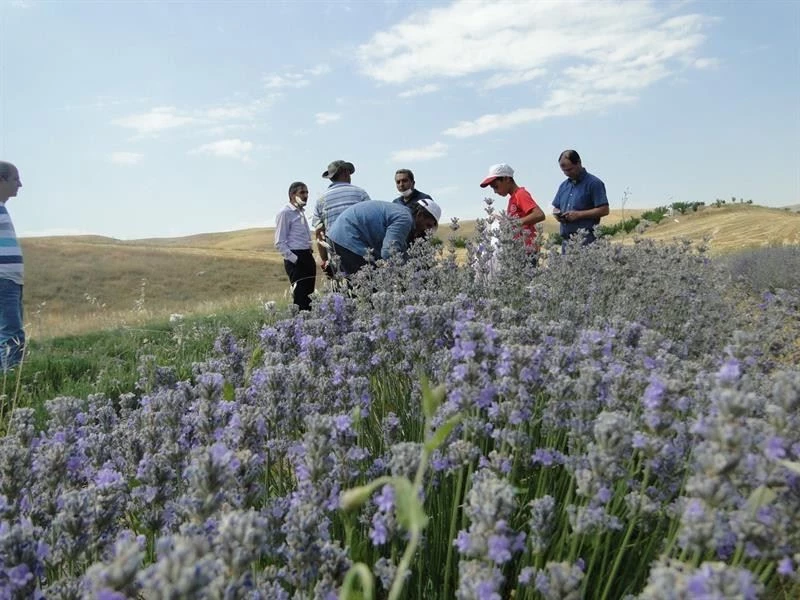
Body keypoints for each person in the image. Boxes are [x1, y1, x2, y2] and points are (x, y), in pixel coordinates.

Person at [327, 198, 441, 276]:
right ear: (420, 215)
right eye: (428, 225)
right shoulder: (405, 219)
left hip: (337, 236)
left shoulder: (402, 213)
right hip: (348, 239)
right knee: (370, 288)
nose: (427, 230)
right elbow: (389, 252)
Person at [312, 160, 371, 275]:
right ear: (345, 173)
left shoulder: (321, 200)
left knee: (340, 290)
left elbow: (319, 232)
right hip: (360, 252)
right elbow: (371, 223)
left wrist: (324, 260)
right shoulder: (360, 194)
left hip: (335, 254)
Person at [479, 163, 545, 262]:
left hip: (527, 249)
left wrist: (512, 223)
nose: (495, 191)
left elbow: (539, 214)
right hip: (519, 248)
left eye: (496, 186)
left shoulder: (521, 194)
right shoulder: (513, 198)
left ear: (507, 179)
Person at [552, 150, 609, 245]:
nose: (566, 173)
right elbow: (556, 207)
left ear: (578, 163)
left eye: (570, 169)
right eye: (564, 171)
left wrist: (579, 215)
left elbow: (604, 210)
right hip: (566, 242)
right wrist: (557, 215)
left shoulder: (594, 183)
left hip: (587, 242)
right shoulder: (563, 186)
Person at [274, 181, 315, 311]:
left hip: (307, 255)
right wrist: (295, 259)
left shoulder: (301, 212)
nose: (306, 195)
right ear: (292, 195)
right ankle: (299, 327)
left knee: (310, 296)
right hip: (296, 258)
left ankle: (311, 326)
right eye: (302, 192)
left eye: (307, 192)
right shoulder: (285, 212)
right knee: (300, 297)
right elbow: (279, 242)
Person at [0, 161, 25, 371]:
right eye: (15, 179)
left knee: (9, 333)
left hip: (11, 281)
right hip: (3, 280)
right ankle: (11, 384)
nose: (20, 184)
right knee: (12, 335)